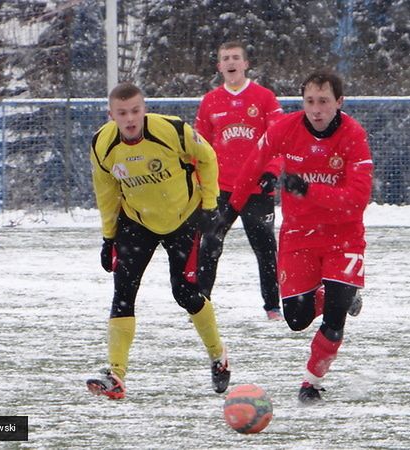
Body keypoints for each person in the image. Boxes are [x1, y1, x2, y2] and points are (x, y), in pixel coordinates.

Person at [228, 71, 372, 403]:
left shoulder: (354, 136)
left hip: (344, 235)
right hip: (298, 235)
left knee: (334, 320)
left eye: (324, 102)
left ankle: (311, 382)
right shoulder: (285, 128)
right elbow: (255, 162)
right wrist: (231, 209)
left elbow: (357, 201)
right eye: (310, 102)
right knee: (295, 318)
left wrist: (309, 190)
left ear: (339, 102)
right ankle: (343, 294)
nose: (316, 110)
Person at [86, 82, 230, 399]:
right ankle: (115, 375)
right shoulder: (102, 145)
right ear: (111, 115)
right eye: (122, 113)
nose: (130, 118)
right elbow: (106, 193)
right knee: (123, 293)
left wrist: (210, 206)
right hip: (137, 222)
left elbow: (207, 157)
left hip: (183, 219)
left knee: (185, 294)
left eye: (135, 110)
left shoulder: (172, 131)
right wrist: (108, 236)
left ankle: (218, 356)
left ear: (145, 109)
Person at [194, 41, 284, 320]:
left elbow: (279, 140)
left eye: (235, 57)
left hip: (257, 188)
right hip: (221, 189)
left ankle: (272, 307)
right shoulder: (210, 101)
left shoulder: (265, 97)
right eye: (225, 58)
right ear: (219, 66)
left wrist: (272, 172)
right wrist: (197, 179)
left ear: (246, 64)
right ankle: (200, 304)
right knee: (209, 244)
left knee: (266, 249)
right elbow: (199, 146)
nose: (231, 62)